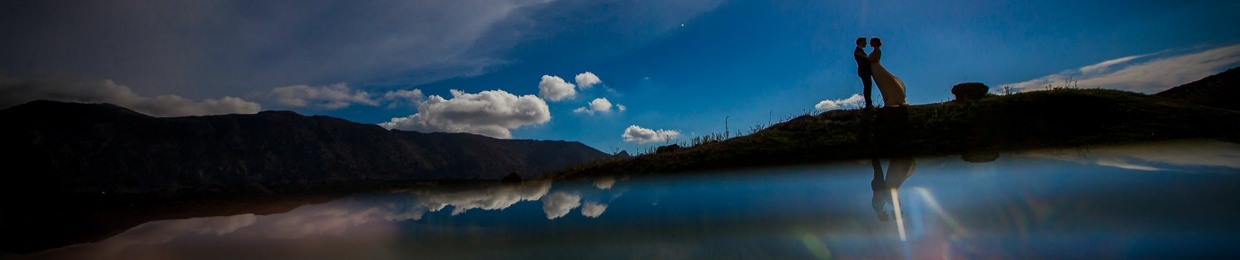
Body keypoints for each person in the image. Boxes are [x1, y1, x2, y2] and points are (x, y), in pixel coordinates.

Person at [868, 37, 907, 107]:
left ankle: (892, 99)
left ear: (874, 42)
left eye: (871, 42)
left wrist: (866, 58)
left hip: (877, 68)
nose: (870, 43)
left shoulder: (877, 50)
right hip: (875, 68)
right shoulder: (876, 50)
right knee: (882, 84)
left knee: (885, 83)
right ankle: (889, 99)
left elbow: (874, 59)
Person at [854, 37, 875, 109]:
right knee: (867, 87)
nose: (866, 43)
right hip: (864, 71)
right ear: (860, 42)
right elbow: (864, 61)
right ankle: (868, 104)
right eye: (864, 42)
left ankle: (869, 103)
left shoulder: (859, 51)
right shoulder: (858, 51)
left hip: (864, 71)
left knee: (868, 86)